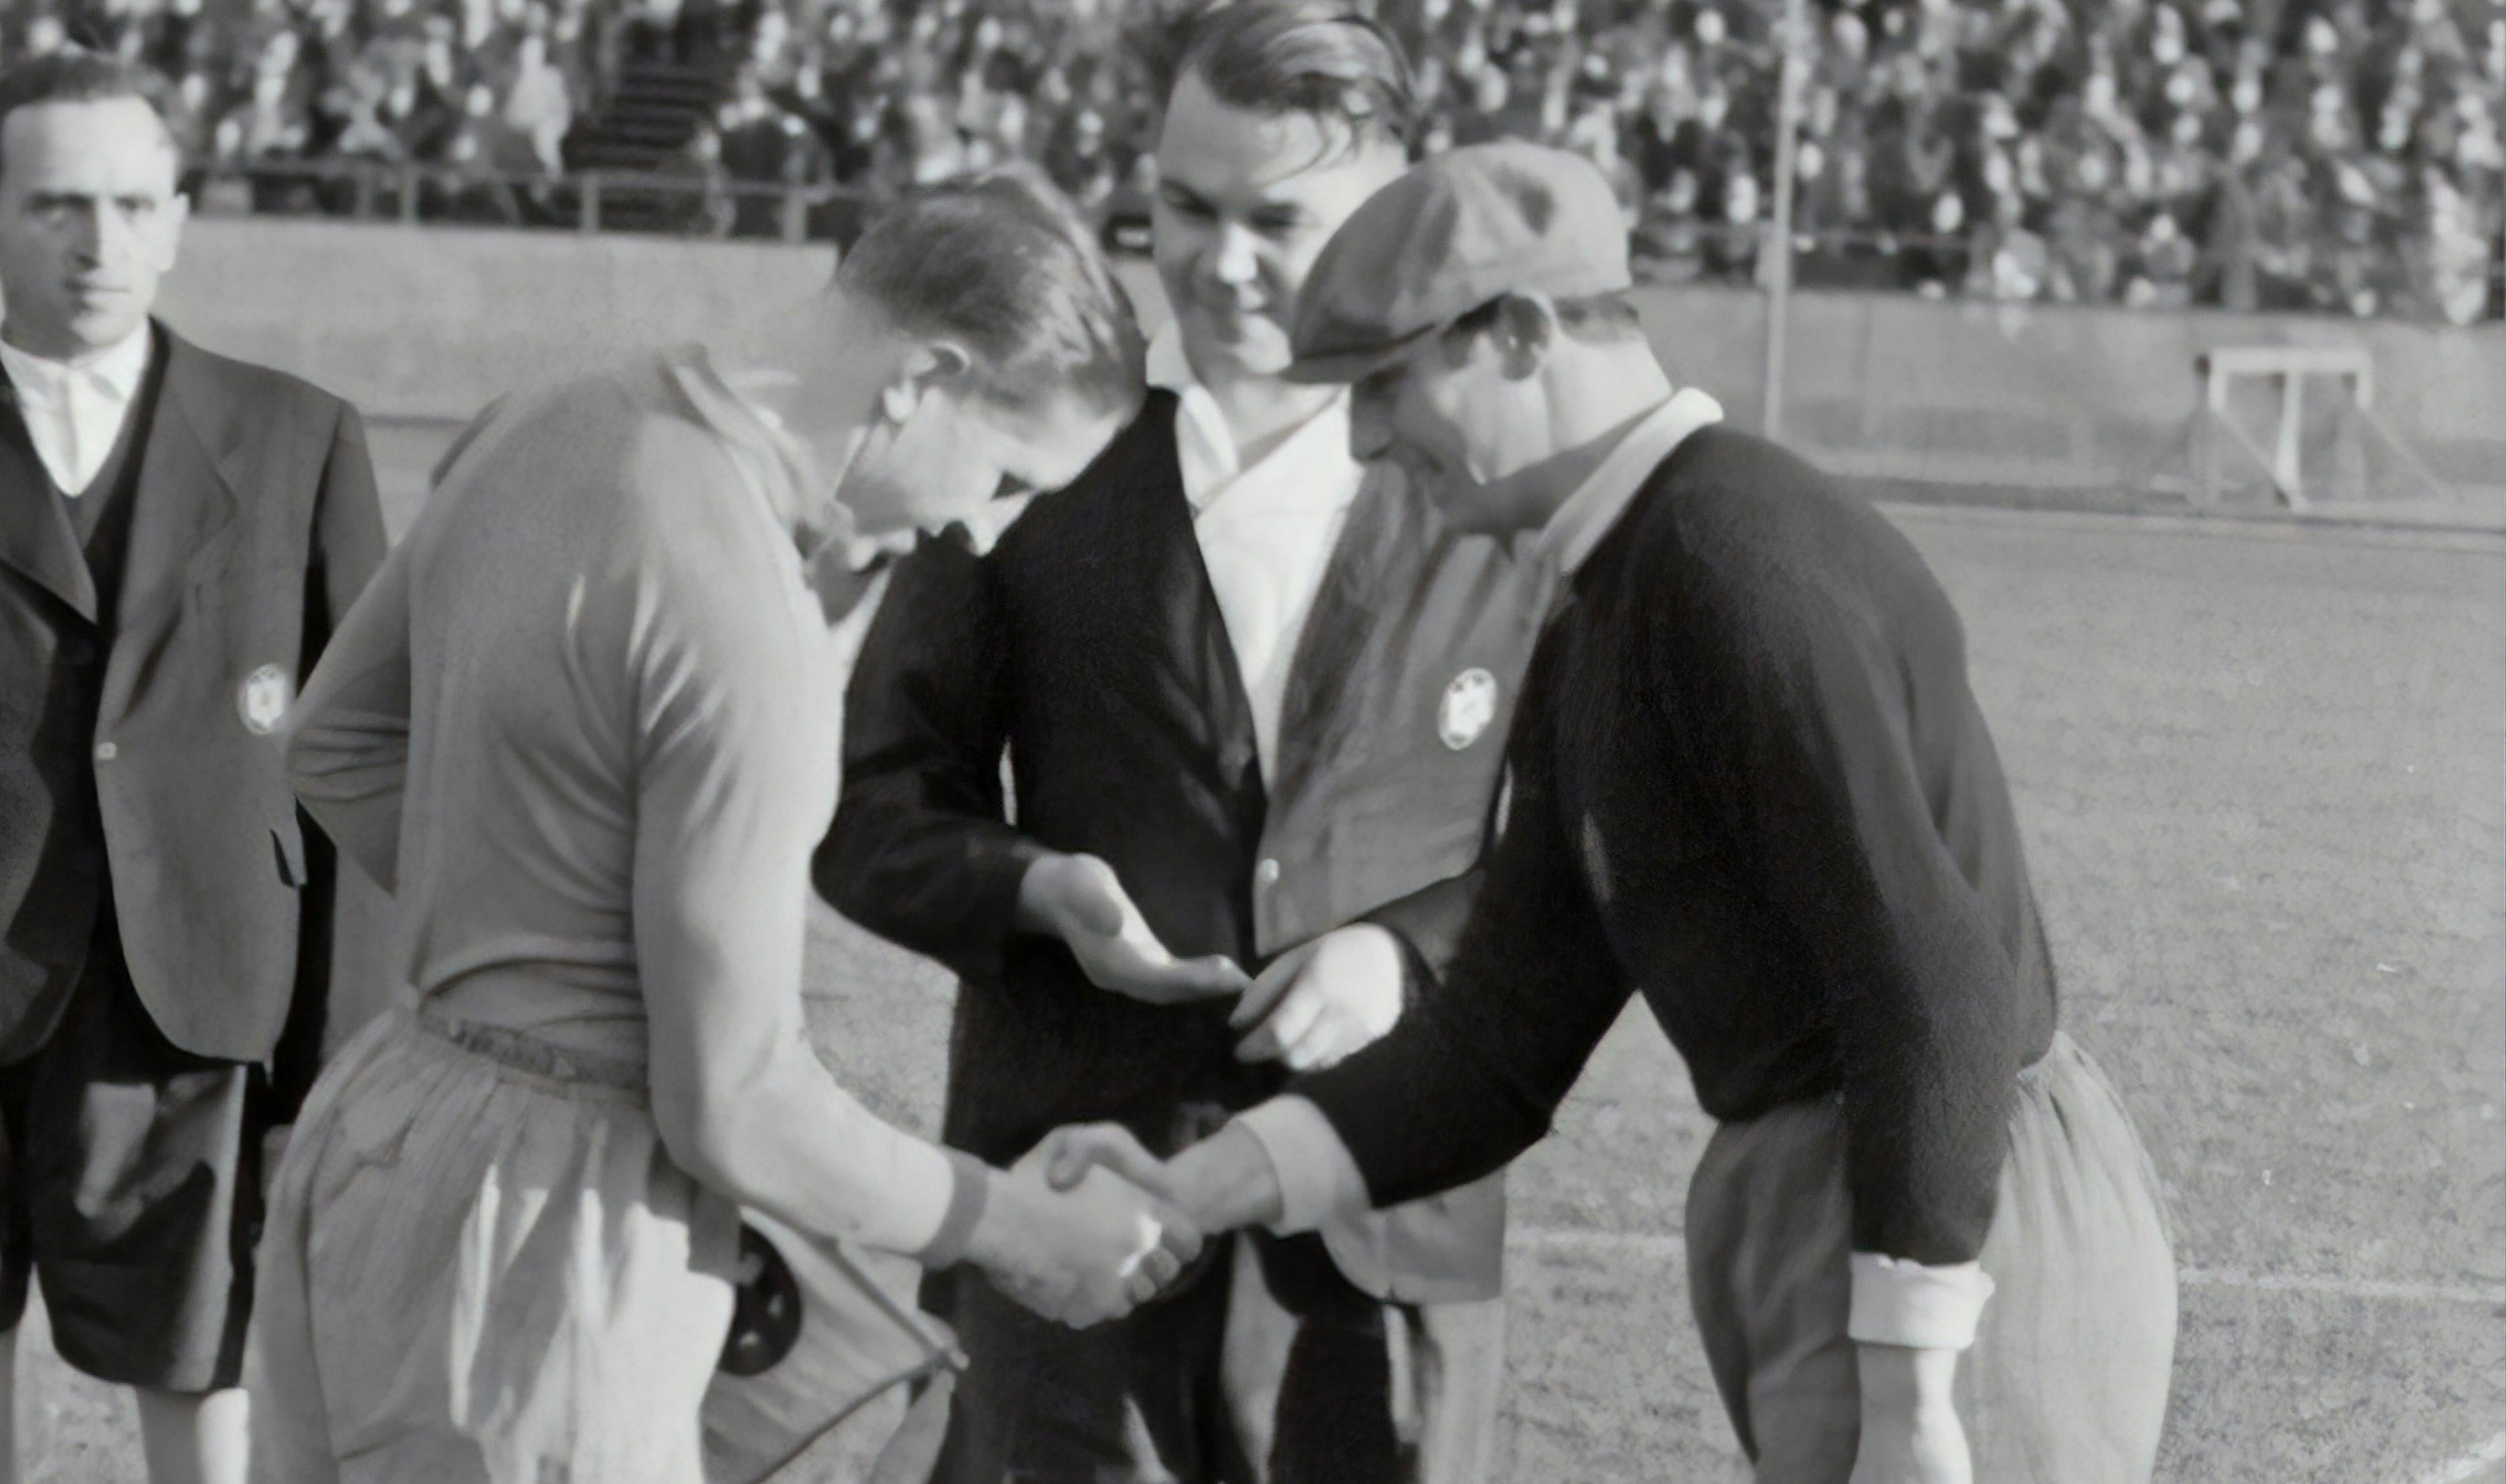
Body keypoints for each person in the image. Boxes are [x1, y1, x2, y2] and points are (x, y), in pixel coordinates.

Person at [1056, 142, 2181, 1484]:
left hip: (1942, 1200)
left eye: (1389, 383)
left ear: (1524, 335)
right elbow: (1496, 1044)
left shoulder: (1726, 561)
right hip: (1866, 1197)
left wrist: (1918, 1383)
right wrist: (1194, 1187)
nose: (1362, 439)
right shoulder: (1614, 596)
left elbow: (1936, 985)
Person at [248, 168, 1194, 1484]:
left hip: (379, 1121)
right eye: (1008, 471)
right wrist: (1009, 1220)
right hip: (549, 1216)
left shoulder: (548, 417)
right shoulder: (741, 601)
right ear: (922, 377)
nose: (982, 533)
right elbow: (737, 1103)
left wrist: (533, 931)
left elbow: (335, 743)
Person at [812, 5, 1546, 1481]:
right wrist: (1035, 890)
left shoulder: (1503, 483)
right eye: (1184, 207)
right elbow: (872, 808)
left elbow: (1592, 846)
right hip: (1076, 1211)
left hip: (1385, 1224)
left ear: (1391, 211)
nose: (1221, 261)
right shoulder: (1035, 456)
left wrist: (1404, 952)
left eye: (1278, 219)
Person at [0, 52, 385, 1484]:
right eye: (55, 206)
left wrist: (333, 1075)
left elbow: (360, 775)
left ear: (177, 218)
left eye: (131, 204)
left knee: (206, 1431)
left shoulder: (300, 438)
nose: (99, 244)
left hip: (199, 1008)